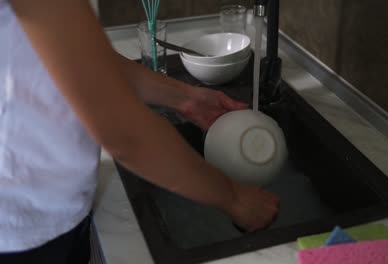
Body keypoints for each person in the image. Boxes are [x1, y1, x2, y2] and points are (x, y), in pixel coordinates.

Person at [0, 0, 280, 263]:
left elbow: (81, 56)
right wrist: (234, 197)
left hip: (38, 209)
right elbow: (125, 133)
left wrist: (185, 98)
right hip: (22, 230)